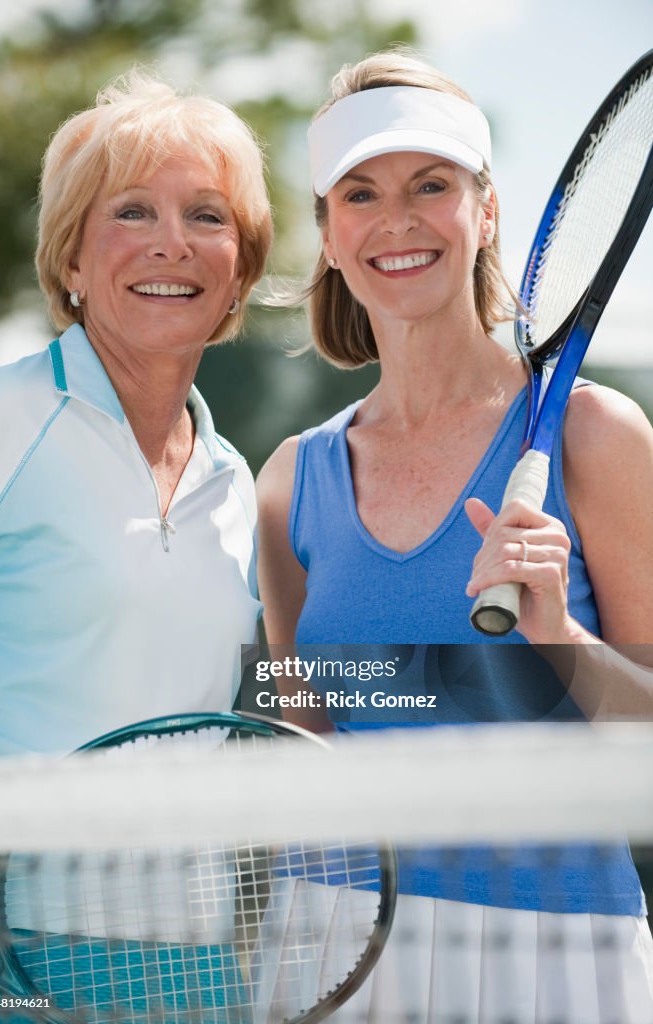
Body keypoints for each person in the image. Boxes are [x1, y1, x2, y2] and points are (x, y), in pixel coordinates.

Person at [257, 50, 653, 1022]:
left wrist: (560, 634)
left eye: (431, 184)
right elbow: (302, 716)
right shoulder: (288, 482)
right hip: (335, 936)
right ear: (330, 236)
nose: (397, 220)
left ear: (484, 212)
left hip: (559, 943)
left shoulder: (601, 439)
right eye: (361, 193)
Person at [0, 70, 271, 1014]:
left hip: (194, 955)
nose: (172, 243)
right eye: (131, 211)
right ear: (68, 258)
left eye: (207, 215)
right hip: (2, 951)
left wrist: (486, 664)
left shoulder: (238, 483)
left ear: (240, 271)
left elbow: (277, 692)